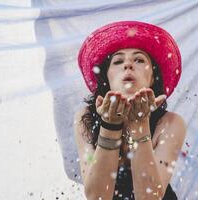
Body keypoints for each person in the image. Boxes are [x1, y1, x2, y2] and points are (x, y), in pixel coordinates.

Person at [74, 21, 187, 200]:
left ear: (152, 78)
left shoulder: (171, 123)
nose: (128, 65)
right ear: (107, 78)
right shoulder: (85, 118)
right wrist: (109, 126)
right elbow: (97, 197)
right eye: (118, 61)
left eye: (139, 60)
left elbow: (150, 197)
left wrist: (139, 125)